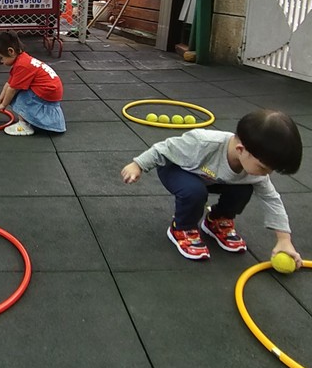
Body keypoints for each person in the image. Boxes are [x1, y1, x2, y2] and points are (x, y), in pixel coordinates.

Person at [120, 109, 302, 264]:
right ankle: (182, 228)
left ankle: (217, 220)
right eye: (263, 168)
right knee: (194, 191)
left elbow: (271, 199)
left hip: (211, 178)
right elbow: (164, 148)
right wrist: (138, 165)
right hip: (177, 168)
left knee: (245, 187)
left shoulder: (255, 171)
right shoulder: (203, 143)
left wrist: (284, 239)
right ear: (241, 150)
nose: (266, 174)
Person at [0, 31, 66, 137]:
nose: (1, 61)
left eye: (1, 58)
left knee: (19, 95)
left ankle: (24, 125)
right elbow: (9, 84)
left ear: (11, 51)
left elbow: (12, 89)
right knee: (16, 91)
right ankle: (29, 120)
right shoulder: (22, 59)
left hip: (47, 94)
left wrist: (3, 105)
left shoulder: (22, 65)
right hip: (50, 92)